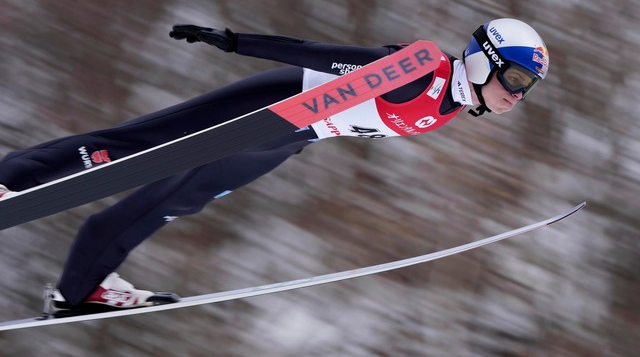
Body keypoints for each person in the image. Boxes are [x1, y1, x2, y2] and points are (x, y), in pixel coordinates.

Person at [0, 18, 549, 313]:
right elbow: (326, 56)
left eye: (529, 88)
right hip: (278, 106)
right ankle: (11, 181)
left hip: (294, 136)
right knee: (136, 146)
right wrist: (236, 43)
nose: (518, 96)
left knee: (177, 198)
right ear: (485, 61)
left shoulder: (454, 102)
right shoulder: (424, 69)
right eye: (517, 80)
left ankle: (81, 288)